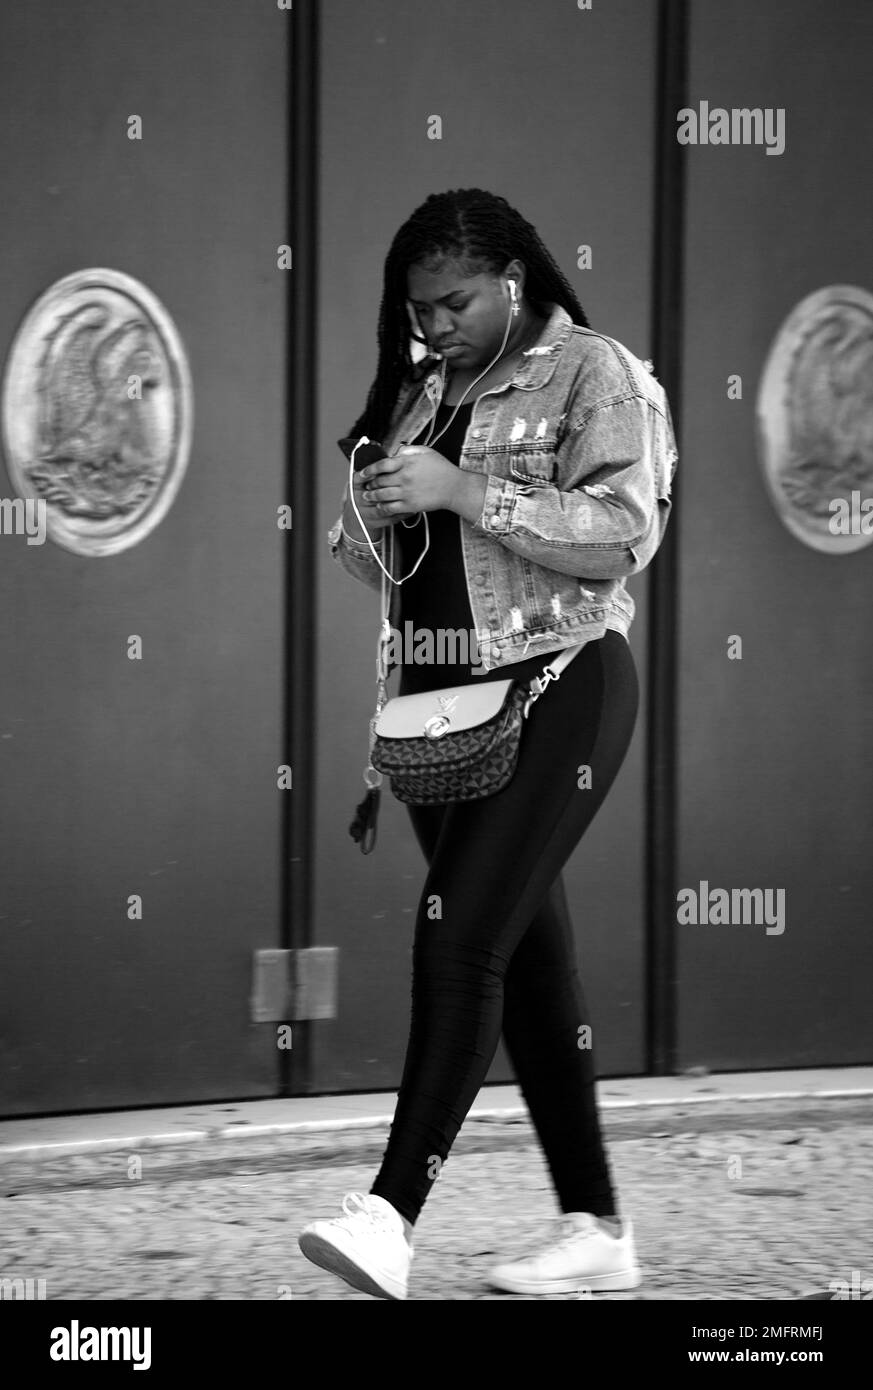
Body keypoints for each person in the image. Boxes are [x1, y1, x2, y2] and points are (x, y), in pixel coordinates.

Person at [299, 188, 677, 1299]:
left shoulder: (594, 374)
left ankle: (388, 1217)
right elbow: (381, 567)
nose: (433, 326)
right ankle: (598, 1230)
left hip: (561, 684)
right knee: (530, 967)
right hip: (443, 713)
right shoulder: (424, 387)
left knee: (460, 939)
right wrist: (374, 507)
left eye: (453, 302)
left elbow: (623, 532)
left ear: (513, 277)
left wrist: (461, 486)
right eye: (418, 310)